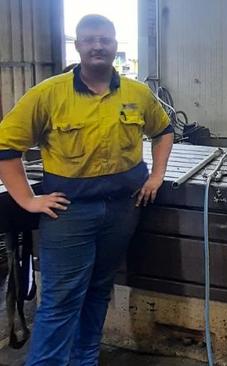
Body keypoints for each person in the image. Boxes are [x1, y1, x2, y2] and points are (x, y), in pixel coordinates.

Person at [0, 14, 173, 365]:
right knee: (61, 300)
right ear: (77, 45)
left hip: (123, 210)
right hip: (70, 213)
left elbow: (164, 131)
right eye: (90, 39)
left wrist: (156, 176)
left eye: (105, 39)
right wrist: (28, 200)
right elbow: (6, 148)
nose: (98, 45)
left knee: (97, 291)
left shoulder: (137, 93)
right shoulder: (49, 94)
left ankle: (84, 360)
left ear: (114, 45)